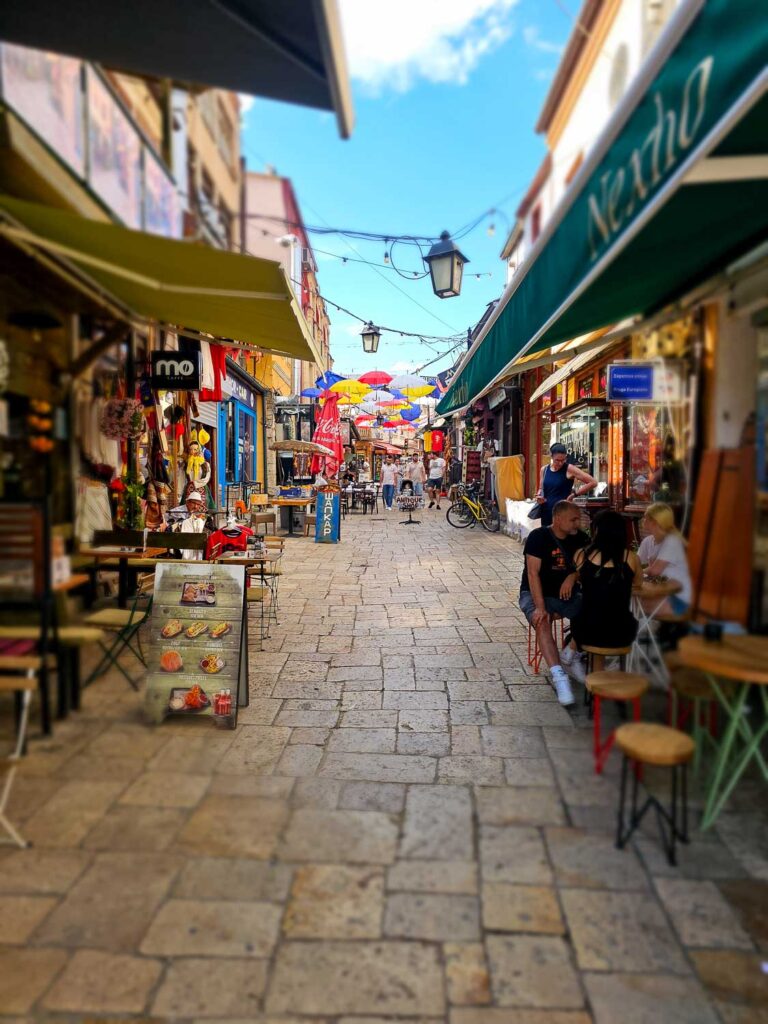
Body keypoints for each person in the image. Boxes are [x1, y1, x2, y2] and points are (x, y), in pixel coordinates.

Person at [519, 500, 589, 705]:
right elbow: (533, 574)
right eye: (573, 519)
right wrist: (540, 607)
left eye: (579, 519)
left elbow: (586, 569)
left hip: (566, 596)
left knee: (593, 607)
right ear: (557, 519)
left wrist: (573, 577)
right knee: (542, 619)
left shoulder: (581, 539)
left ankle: (571, 654)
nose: (578, 523)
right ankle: (559, 676)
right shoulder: (538, 537)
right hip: (535, 592)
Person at [564, 509, 644, 679]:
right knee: (606, 617)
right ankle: (606, 682)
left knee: (588, 614)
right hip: (622, 631)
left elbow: (580, 579)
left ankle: (593, 686)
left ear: (597, 530)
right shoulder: (632, 558)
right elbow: (638, 584)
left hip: (588, 631)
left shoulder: (582, 555)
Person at [638, 502, 692, 615]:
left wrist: (634, 573)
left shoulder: (672, 541)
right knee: (632, 603)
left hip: (679, 598)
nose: (643, 520)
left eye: (646, 517)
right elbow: (636, 562)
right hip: (661, 593)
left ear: (655, 522)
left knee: (634, 606)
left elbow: (654, 570)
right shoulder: (648, 541)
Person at [535, 443, 597, 526]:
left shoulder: (569, 468)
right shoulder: (544, 470)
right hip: (546, 511)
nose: (560, 463)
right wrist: (539, 496)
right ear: (552, 456)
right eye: (557, 460)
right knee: (547, 537)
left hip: (563, 512)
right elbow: (541, 489)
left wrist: (574, 494)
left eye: (563, 460)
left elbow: (593, 482)